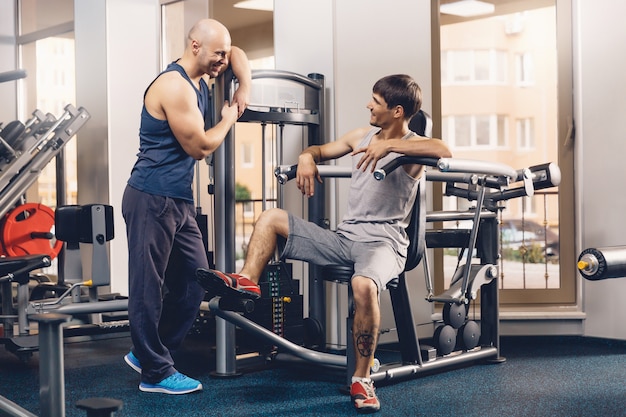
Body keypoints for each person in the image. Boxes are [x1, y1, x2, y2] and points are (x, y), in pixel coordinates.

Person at [198, 74, 452, 413]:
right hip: (345, 238)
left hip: (384, 245)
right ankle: (247, 282)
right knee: (272, 218)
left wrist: (391, 146)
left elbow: (443, 149)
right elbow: (319, 150)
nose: (368, 105)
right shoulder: (360, 136)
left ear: (397, 111)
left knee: (363, 286)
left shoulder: (412, 148)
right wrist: (306, 157)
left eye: (375, 102)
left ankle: (362, 379)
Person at [121, 18, 251, 395]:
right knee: (148, 287)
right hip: (150, 196)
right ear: (195, 46)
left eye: (224, 55)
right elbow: (201, 147)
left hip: (178, 200)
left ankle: (148, 351)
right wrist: (228, 118)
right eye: (217, 54)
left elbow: (238, 53)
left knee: (197, 282)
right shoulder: (174, 86)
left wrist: (245, 85)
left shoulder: (202, 75)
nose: (223, 62)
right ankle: (156, 374)